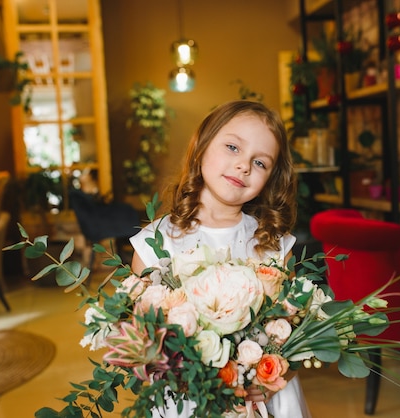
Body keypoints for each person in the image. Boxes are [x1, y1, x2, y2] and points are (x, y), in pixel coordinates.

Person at [129, 100, 311, 418]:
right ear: (200, 146)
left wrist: (277, 376)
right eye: (232, 147)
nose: (243, 165)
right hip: (189, 402)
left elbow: (295, 333)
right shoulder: (156, 244)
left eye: (260, 163)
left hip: (263, 403)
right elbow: (140, 340)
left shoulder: (273, 246)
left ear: (270, 178)